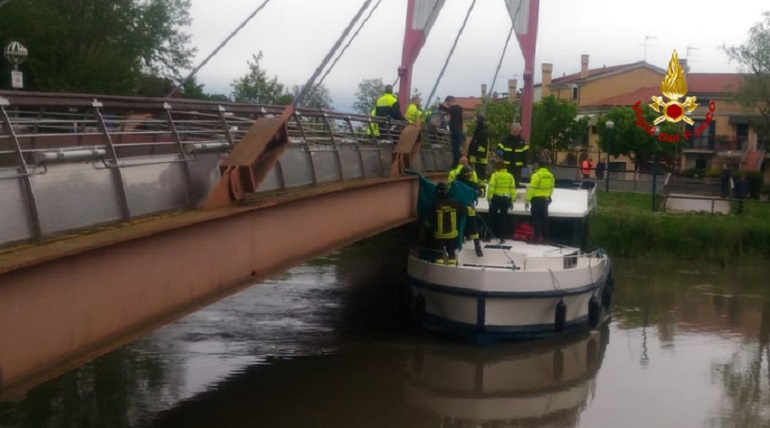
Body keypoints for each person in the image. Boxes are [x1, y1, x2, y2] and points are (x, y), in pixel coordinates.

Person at [429, 182, 467, 265]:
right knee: (451, 252)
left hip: (439, 235)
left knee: (439, 253)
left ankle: (439, 267)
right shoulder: (456, 203)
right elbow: (465, 212)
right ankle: (452, 265)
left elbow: (430, 220)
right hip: (452, 234)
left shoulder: (434, 205)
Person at [526, 155, 556, 243]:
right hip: (545, 199)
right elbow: (552, 187)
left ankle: (536, 237)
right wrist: (549, 196)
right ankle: (546, 238)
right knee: (544, 218)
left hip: (536, 199)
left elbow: (532, 188)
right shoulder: (550, 175)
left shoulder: (536, 175)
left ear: (538, 166)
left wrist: (527, 200)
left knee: (536, 219)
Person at [457, 166, 484, 257]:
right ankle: (477, 248)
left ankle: (459, 244)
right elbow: (480, 192)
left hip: (459, 209)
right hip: (470, 209)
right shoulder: (473, 185)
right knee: (474, 229)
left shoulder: (456, 184)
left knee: (459, 226)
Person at [487, 160, 516, 244]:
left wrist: (489, 198)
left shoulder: (495, 175)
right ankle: (502, 238)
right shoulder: (510, 176)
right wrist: (512, 199)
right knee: (504, 219)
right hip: (506, 199)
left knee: (491, 218)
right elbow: (512, 188)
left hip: (496, 198)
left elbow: (491, 187)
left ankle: (488, 236)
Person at [438, 96, 464, 168]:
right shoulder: (459, 108)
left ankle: (460, 163)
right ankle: (455, 165)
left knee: (455, 149)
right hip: (459, 130)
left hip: (455, 130)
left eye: (448, 103)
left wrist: (440, 106)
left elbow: (448, 116)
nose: (448, 105)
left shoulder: (452, 109)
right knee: (456, 148)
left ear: (450, 101)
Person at [468, 114, 490, 182]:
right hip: (476, 156)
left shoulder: (482, 132)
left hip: (480, 157)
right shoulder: (478, 130)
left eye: (476, 121)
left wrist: (478, 155)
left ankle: (482, 187)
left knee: (481, 174)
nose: (475, 122)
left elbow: (483, 145)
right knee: (477, 173)